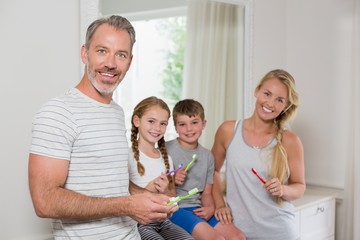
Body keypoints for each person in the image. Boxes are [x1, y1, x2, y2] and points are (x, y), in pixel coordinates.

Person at [28, 15, 175, 240]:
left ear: (130, 61)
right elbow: (44, 201)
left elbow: (112, 181)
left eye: (121, 54)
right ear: (84, 53)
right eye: (102, 51)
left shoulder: (116, 112)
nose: (111, 63)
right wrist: (127, 205)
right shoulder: (58, 112)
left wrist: (147, 199)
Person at [211, 69, 306, 239]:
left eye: (279, 100)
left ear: (286, 106)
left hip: (279, 231)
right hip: (237, 231)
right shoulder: (228, 130)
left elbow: (299, 186)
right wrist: (219, 205)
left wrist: (282, 189)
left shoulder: (290, 141)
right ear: (257, 91)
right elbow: (212, 171)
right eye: (267, 94)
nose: (270, 103)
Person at [166, 99, 246, 240]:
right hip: (176, 209)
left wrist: (210, 208)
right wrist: (171, 179)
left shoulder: (207, 156)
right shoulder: (166, 149)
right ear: (175, 127)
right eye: (182, 124)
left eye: (194, 123)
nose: (189, 129)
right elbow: (153, 183)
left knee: (238, 237)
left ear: (204, 124)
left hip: (198, 209)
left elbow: (207, 193)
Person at [128, 96, 194, 240]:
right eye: (151, 121)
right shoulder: (127, 156)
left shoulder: (166, 159)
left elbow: (172, 198)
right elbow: (122, 195)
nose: (157, 128)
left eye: (163, 123)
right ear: (137, 121)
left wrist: (164, 191)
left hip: (163, 222)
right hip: (139, 224)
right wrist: (150, 189)